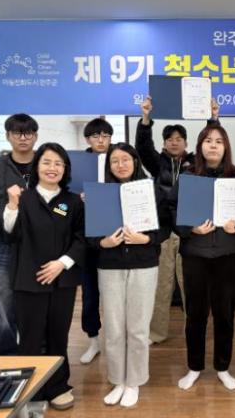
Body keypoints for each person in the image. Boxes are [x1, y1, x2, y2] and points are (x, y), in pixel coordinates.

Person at [3, 143, 85, 410]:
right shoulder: (23, 198)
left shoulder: (73, 202)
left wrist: (62, 263)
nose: (53, 168)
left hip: (62, 282)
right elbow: (9, 234)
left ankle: (58, 386)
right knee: (30, 337)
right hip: (28, 280)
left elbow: (81, 239)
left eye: (59, 163)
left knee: (58, 335)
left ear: (65, 169)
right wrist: (12, 205)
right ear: (37, 166)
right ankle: (31, 390)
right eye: (47, 162)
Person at [168, 123, 235, 391]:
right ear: (200, 146)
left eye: (219, 141)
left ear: (226, 147)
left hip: (227, 254)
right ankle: (194, 367)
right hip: (195, 255)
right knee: (195, 315)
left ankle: (223, 367)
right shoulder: (188, 176)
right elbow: (171, 210)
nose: (213, 145)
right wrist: (190, 229)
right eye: (208, 140)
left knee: (225, 314)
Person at [136, 96, 219, 344]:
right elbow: (143, 146)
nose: (174, 142)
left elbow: (211, 142)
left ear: (186, 143)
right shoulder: (157, 163)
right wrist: (146, 119)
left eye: (179, 138)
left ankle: (192, 329)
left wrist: (213, 119)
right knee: (161, 285)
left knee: (190, 284)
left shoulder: (195, 165)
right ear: (164, 143)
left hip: (188, 230)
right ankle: (156, 333)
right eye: (170, 139)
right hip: (163, 229)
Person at [88, 143, 160, 407]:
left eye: (125, 159)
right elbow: (89, 232)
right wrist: (102, 243)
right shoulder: (99, 194)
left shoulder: (151, 191)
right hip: (110, 266)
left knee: (138, 329)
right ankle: (118, 380)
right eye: (115, 160)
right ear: (109, 166)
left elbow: (165, 227)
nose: (120, 165)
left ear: (135, 161)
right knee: (114, 328)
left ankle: (134, 382)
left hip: (144, 265)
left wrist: (146, 238)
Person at [0, 113, 39, 356]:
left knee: (38, 303)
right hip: (5, 247)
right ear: (8, 136)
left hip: (40, 247)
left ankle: (37, 353)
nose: (23, 138)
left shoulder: (45, 165)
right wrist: (3, 226)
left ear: (35, 136)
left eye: (28, 133)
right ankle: (4, 356)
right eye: (17, 133)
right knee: (3, 303)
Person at [79, 117, 114, 364]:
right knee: (90, 294)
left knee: (115, 296)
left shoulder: (120, 159)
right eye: (95, 136)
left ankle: (117, 340)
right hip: (88, 238)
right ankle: (93, 341)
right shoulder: (78, 165)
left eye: (105, 136)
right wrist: (79, 199)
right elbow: (64, 199)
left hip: (115, 237)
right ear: (87, 139)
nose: (101, 140)